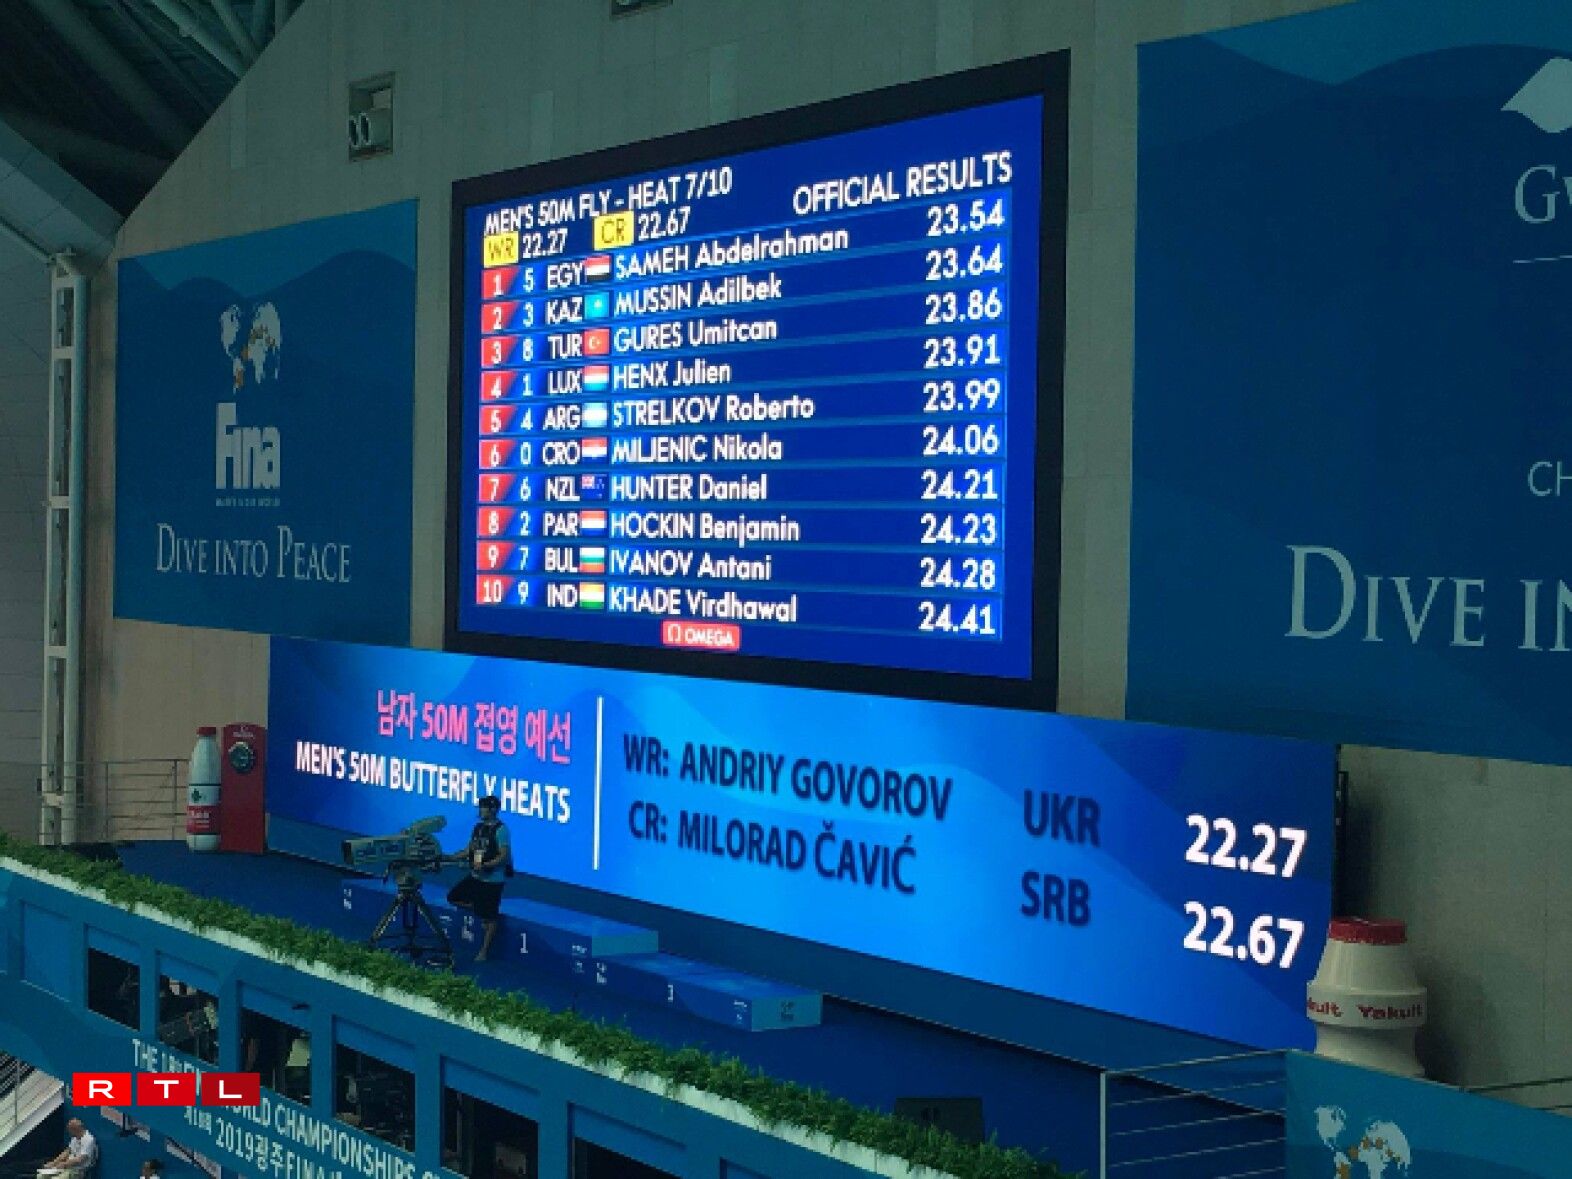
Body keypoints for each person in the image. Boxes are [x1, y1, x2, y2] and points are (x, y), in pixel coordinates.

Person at [445, 795, 512, 961]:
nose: (480, 810)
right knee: (453, 897)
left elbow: (503, 856)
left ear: (493, 810)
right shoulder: (478, 828)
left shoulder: (501, 830)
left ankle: (483, 952)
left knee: (490, 918)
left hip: (492, 881)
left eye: (483, 807)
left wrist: (486, 865)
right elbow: (469, 850)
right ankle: (479, 908)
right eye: (480, 807)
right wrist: (450, 857)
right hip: (476, 877)